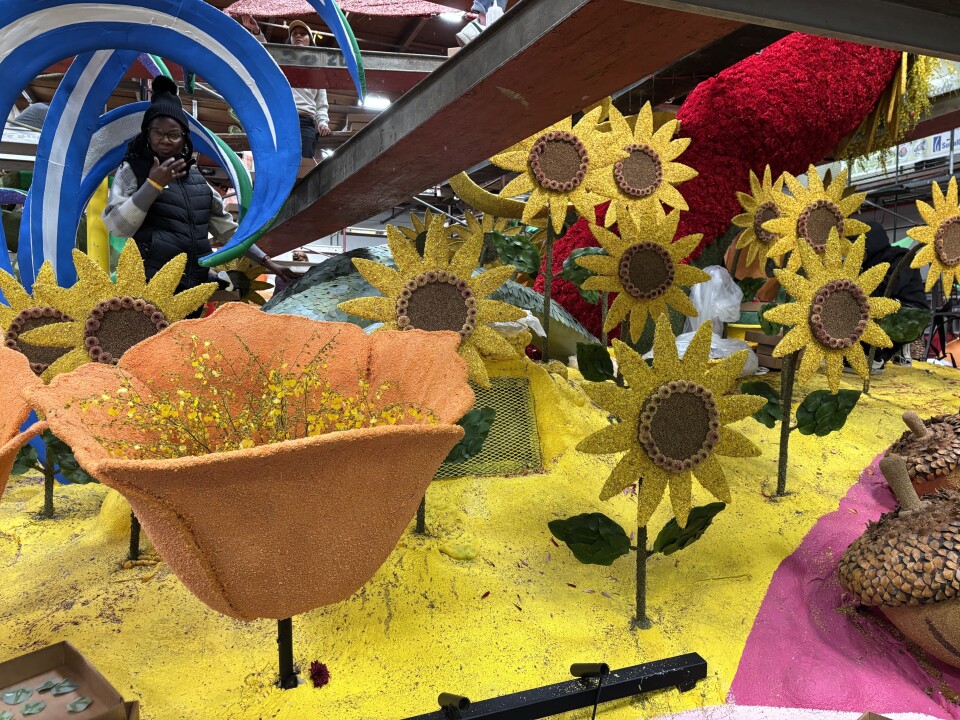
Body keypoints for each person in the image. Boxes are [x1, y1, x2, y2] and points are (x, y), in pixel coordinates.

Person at [103, 76, 294, 306]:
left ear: (184, 137)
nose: (165, 140)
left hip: (193, 287)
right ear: (147, 134)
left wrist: (266, 261)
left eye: (173, 134)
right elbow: (117, 226)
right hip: (151, 289)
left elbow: (228, 232)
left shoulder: (197, 180)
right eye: (158, 133)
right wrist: (152, 186)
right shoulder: (132, 170)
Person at [240, 15, 330, 159]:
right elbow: (265, 54)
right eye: (294, 34)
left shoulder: (317, 69)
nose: (298, 36)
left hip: (306, 121)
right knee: (280, 161)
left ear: (310, 40)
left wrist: (322, 122)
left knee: (303, 162)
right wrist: (256, 31)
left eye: (303, 33)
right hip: (281, 119)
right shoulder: (281, 63)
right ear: (290, 40)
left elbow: (321, 103)